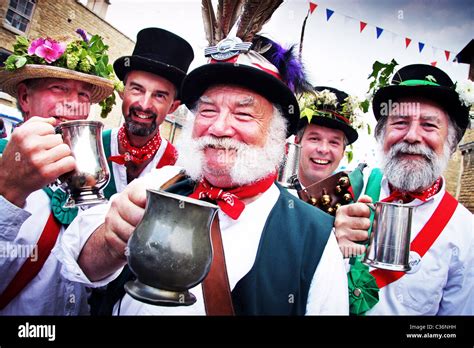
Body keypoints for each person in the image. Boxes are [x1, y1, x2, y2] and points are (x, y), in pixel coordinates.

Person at [56, 22, 349, 314]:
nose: (219, 127)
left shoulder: (314, 237)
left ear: (276, 131)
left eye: (243, 114)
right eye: (208, 110)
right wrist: (110, 241)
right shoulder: (159, 182)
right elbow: (77, 266)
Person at [334, 64, 473, 315]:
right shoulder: (346, 188)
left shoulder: (466, 232)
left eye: (429, 126)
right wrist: (328, 243)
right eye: (400, 122)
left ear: (451, 142)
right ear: (381, 135)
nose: (412, 136)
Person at [0, 31, 115, 315]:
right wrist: (7, 193)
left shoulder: (88, 176)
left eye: (83, 95)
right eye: (58, 88)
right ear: (25, 98)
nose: (72, 105)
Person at [102, 28, 194, 197]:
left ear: (173, 107)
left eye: (159, 96)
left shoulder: (179, 169)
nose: (144, 105)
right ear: (123, 92)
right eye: (137, 89)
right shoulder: (96, 146)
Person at [296, 86, 359, 187]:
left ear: (343, 151)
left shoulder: (351, 197)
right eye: (314, 139)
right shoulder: (270, 193)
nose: (323, 149)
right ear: (297, 142)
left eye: (334, 142)